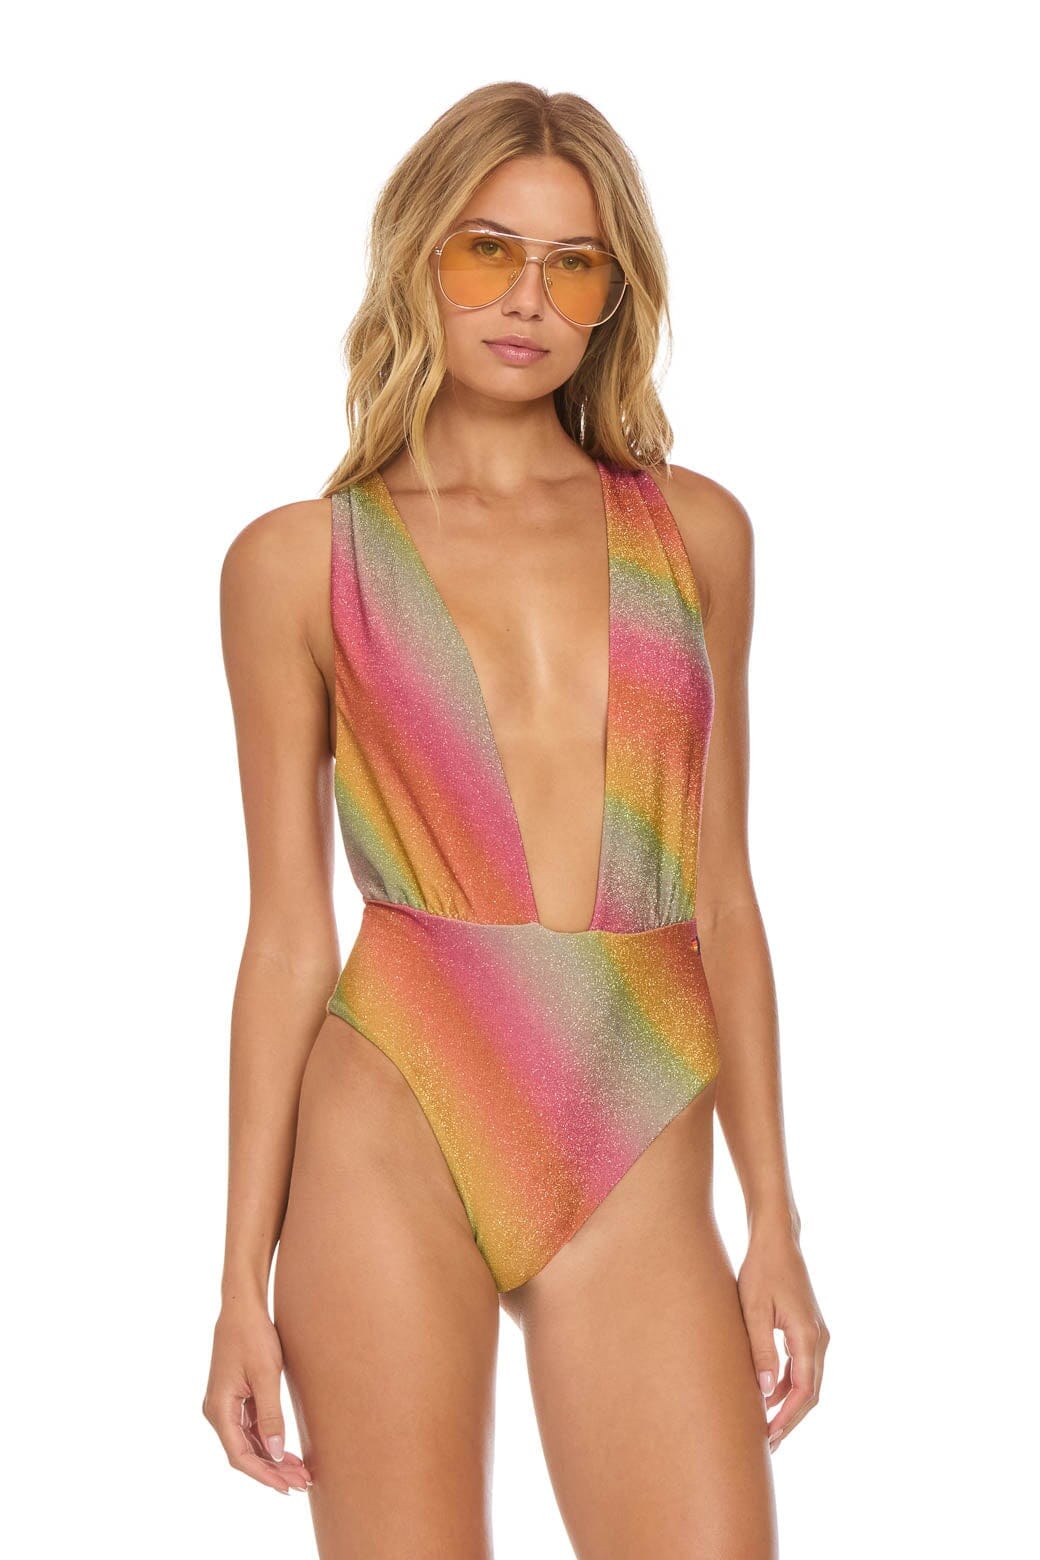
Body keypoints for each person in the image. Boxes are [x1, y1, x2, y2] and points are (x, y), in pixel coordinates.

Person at [203, 80, 829, 1559]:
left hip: (635, 1107)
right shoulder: (296, 564)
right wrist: (237, 1281)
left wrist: (776, 1220)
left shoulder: (699, 535)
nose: (527, 298)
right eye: (489, 249)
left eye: (573, 263)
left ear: (615, 297)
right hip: (391, 1115)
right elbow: (287, 937)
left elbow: (725, 896)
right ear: (420, 256)